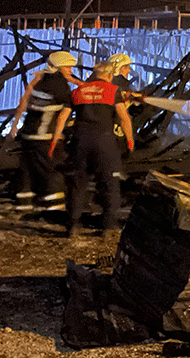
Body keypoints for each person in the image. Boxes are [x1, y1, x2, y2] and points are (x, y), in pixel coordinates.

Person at [51, 61, 134, 236]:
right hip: (104, 143)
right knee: (109, 184)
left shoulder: (78, 91)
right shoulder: (113, 91)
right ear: (110, 75)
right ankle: (108, 226)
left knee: (77, 184)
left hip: (80, 142)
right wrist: (130, 140)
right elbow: (124, 118)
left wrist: (55, 139)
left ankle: (72, 225)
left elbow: (63, 117)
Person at [5, 51, 82, 212]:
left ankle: (23, 204)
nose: (71, 70)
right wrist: (57, 137)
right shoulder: (60, 86)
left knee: (27, 171)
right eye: (68, 67)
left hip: (28, 135)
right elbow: (63, 115)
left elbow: (23, 102)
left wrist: (14, 127)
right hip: (45, 137)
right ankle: (54, 208)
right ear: (59, 67)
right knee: (52, 171)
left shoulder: (39, 80)